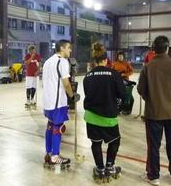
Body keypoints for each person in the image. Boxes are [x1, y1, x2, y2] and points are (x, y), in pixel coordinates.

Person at [83, 42, 125, 182]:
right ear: (106, 60)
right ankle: (109, 166)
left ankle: (100, 169)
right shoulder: (114, 74)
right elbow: (122, 95)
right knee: (115, 141)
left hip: (91, 116)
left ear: (94, 61)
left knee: (96, 143)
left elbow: (87, 93)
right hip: (108, 116)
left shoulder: (87, 76)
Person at [137, 36, 171, 186]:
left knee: (154, 146)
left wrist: (151, 99)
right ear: (167, 48)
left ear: (153, 49)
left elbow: (141, 90)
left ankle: (153, 176)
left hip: (154, 113)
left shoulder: (148, 67)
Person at [42, 39, 80, 168]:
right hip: (57, 102)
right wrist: (72, 96)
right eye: (68, 47)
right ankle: (55, 156)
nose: (70, 50)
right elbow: (66, 83)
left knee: (50, 126)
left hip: (47, 101)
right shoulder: (62, 62)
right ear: (62, 48)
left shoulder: (48, 61)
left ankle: (48, 153)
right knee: (58, 128)